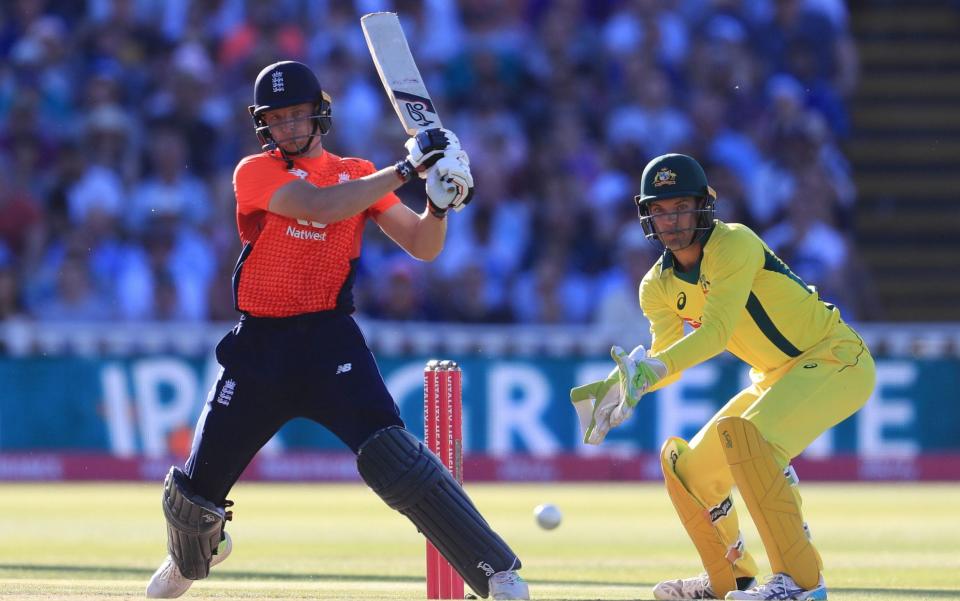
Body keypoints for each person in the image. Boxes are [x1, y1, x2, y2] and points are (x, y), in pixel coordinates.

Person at [146, 60, 529, 600]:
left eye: (297, 115)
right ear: (263, 125)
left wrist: (438, 207)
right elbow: (319, 209)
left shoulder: (358, 174)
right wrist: (407, 169)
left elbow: (422, 247)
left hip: (330, 342)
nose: (288, 128)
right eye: (276, 119)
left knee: (396, 460)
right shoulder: (254, 172)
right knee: (194, 496)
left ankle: (496, 572)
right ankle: (193, 556)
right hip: (260, 346)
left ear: (319, 114)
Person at [571, 153, 875, 600]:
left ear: (702, 207)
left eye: (679, 208)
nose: (670, 220)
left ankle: (801, 584)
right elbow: (666, 360)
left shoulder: (734, 243)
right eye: (659, 210)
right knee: (690, 471)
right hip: (775, 376)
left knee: (751, 438)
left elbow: (714, 334)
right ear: (646, 215)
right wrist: (625, 386)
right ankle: (733, 579)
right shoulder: (655, 286)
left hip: (835, 358)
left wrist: (651, 370)